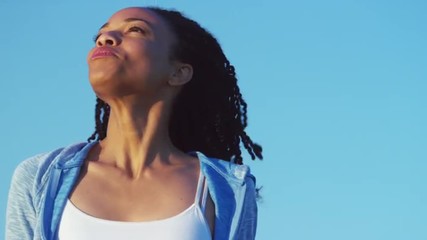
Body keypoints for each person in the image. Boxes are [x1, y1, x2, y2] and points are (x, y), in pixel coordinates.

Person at [6, 6, 263, 240]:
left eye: (135, 29)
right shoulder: (40, 177)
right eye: (101, 35)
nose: (104, 39)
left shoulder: (230, 188)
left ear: (178, 72)